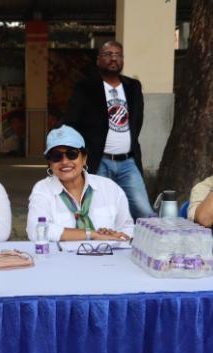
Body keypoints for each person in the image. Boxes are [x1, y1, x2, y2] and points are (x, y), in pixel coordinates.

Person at [63, 40, 154, 219]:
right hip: (99, 161)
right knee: (96, 211)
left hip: (128, 162)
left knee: (144, 210)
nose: (113, 58)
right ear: (98, 60)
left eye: (118, 55)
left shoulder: (133, 87)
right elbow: (72, 119)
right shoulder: (86, 87)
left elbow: (137, 121)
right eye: (108, 54)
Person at [27, 125, 134, 242]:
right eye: (56, 156)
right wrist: (92, 234)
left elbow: (128, 229)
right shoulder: (43, 189)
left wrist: (114, 235)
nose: (65, 161)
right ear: (50, 163)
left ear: (84, 158)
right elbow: (36, 230)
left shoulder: (109, 187)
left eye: (71, 154)